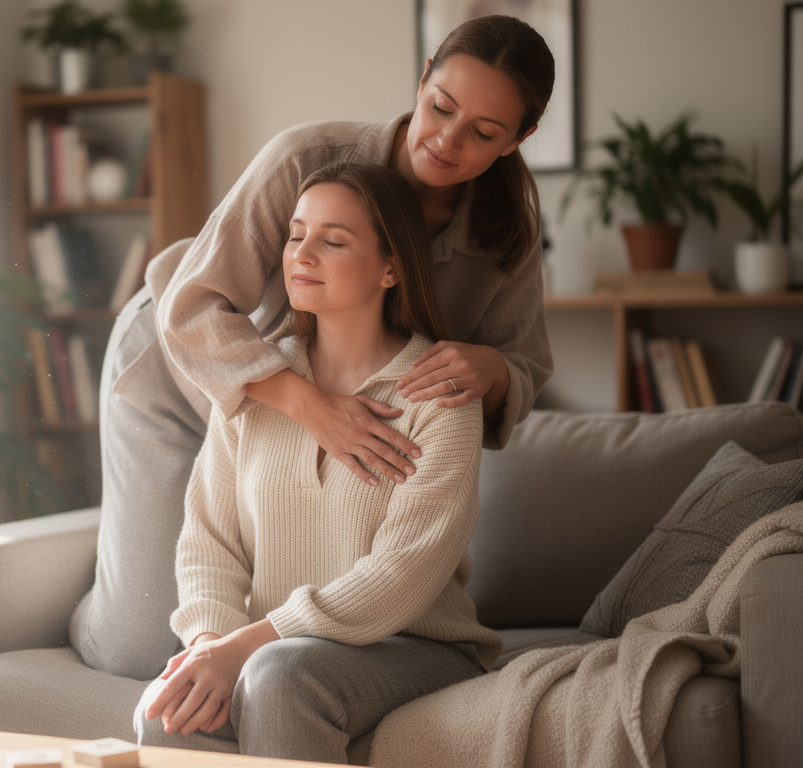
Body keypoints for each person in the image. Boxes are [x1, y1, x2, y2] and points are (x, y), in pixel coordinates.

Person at [70, 14, 555, 682]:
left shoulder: (508, 230)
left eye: (484, 132)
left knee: (250, 647)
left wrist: (493, 367)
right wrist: (309, 405)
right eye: (441, 107)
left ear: (520, 138)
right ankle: (99, 599)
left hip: (294, 403)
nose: (446, 139)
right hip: (175, 353)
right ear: (422, 82)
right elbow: (192, 306)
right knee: (137, 646)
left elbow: (524, 363)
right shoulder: (304, 159)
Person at [133, 162, 503, 763]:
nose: (302, 255)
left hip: (416, 645)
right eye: (296, 234)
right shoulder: (257, 383)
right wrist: (210, 646)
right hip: (272, 647)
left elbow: (401, 575)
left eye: (333, 241)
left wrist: (249, 646)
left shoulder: (439, 399)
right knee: (165, 711)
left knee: (279, 678)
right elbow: (208, 541)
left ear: (391, 268)